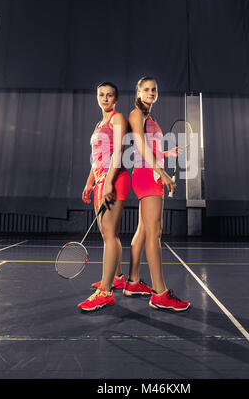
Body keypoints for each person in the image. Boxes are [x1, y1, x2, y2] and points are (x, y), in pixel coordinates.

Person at [122, 76, 190, 311]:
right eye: (146, 89)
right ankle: (160, 294)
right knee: (155, 232)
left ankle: (132, 282)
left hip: (149, 171)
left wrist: (167, 154)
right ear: (138, 92)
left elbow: (150, 149)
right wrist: (161, 171)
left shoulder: (151, 118)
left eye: (154, 89)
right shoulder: (136, 114)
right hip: (146, 175)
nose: (151, 92)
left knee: (142, 231)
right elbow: (140, 146)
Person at [78, 82, 130, 312]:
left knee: (109, 234)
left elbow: (118, 152)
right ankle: (117, 277)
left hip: (115, 180)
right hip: (100, 181)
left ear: (116, 99)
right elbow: (97, 157)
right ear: (97, 97)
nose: (105, 98)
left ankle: (106, 292)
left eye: (110, 95)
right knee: (107, 233)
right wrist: (89, 183)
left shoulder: (117, 119)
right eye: (101, 95)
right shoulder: (99, 123)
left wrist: (108, 181)